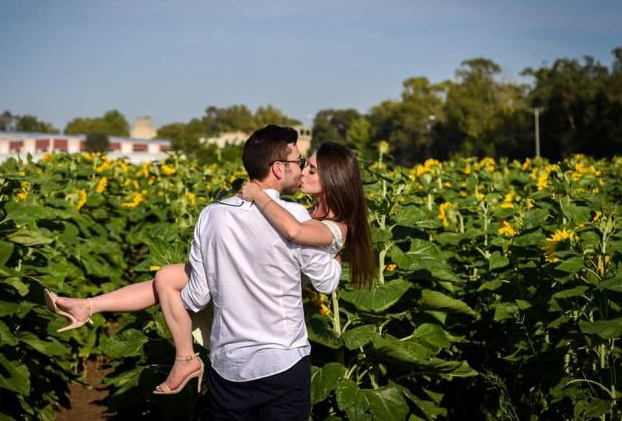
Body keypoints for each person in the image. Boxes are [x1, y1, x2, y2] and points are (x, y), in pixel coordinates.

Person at [44, 126, 374, 417]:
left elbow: (197, 294)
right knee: (169, 277)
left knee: (169, 277)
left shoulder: (212, 215)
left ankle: (94, 307)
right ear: (278, 168)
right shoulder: (297, 217)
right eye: (300, 163)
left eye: (309, 167)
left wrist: (231, 278)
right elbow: (327, 280)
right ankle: (95, 308)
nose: (302, 171)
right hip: (282, 362)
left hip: (230, 367)